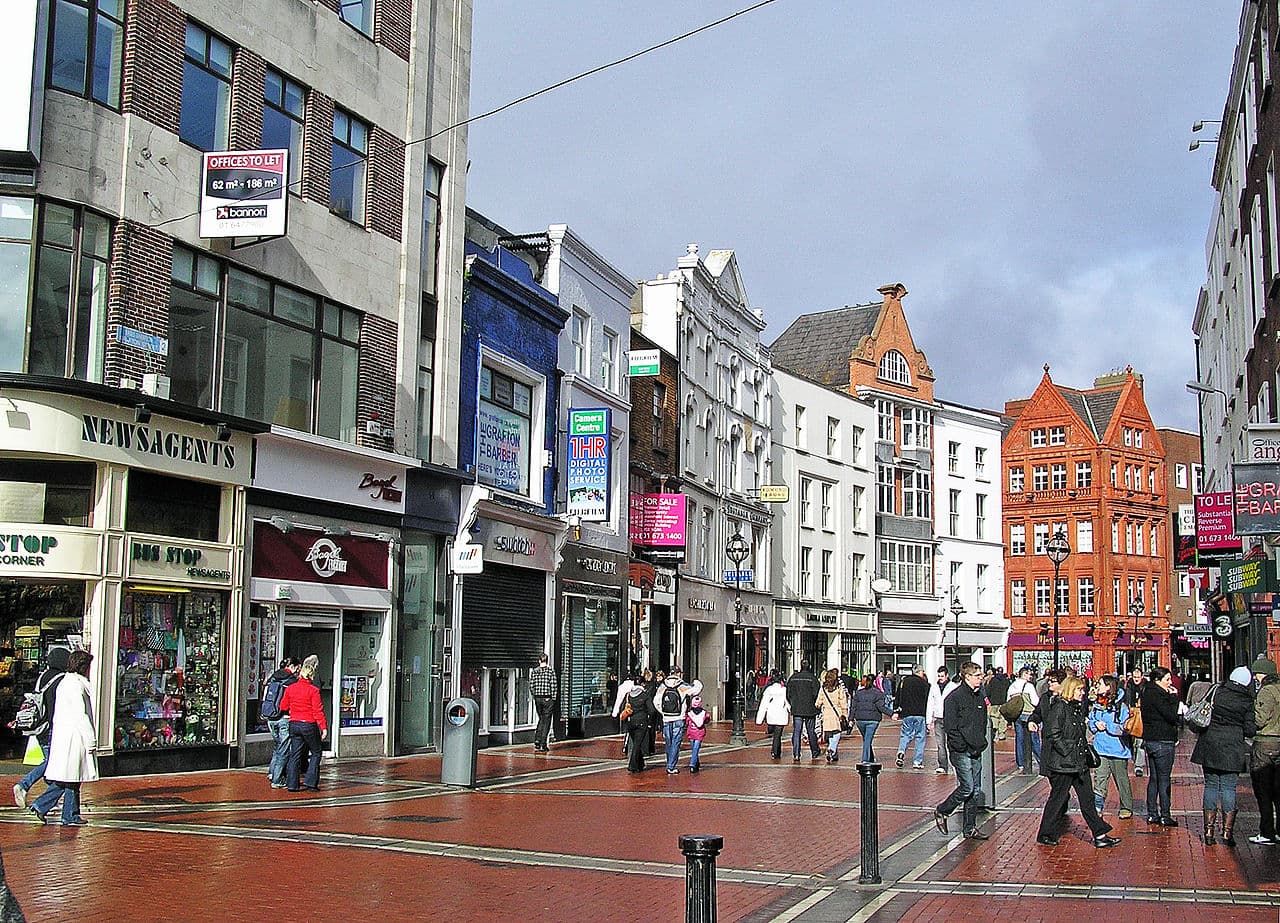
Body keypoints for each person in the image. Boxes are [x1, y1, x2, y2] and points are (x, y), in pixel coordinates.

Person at [1036, 675, 1120, 848]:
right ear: (1070, 690)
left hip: (1079, 762)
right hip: (1064, 764)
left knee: (1087, 800)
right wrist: (1067, 751)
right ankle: (1045, 833)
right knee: (1057, 799)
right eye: (1079, 689)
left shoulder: (1074, 708)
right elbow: (1052, 733)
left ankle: (1100, 834)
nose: (1082, 693)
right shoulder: (1059, 707)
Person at [1191, 665, 1257, 846]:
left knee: (1211, 785)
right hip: (1232, 748)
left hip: (1210, 743)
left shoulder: (1217, 691)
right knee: (1228, 788)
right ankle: (1227, 833)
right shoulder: (1247, 700)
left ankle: (1209, 831)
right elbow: (1250, 730)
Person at [28, 650, 96, 826]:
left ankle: (59, 811)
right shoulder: (76, 686)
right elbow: (82, 716)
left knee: (69, 778)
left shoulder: (66, 683)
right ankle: (62, 812)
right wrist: (91, 740)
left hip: (66, 736)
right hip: (74, 738)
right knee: (71, 778)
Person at [933, 663, 990, 840]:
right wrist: (961, 745)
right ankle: (943, 810)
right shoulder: (954, 698)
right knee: (967, 788)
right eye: (977, 675)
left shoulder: (979, 696)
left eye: (981, 675)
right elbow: (951, 726)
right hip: (961, 750)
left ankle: (970, 827)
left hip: (976, 748)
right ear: (967, 677)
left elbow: (981, 721)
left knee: (975, 790)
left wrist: (981, 742)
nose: (981, 679)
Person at [13, 645, 69, 809]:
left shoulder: (43, 676)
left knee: (51, 761)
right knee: (53, 762)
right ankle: (24, 785)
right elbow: (55, 707)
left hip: (38, 726)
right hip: (51, 727)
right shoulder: (61, 680)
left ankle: (51, 795)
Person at [279, 654, 327, 792]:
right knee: (316, 751)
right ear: (311, 675)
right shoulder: (314, 690)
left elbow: (283, 706)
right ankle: (310, 782)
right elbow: (318, 711)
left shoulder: (291, 688)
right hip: (308, 723)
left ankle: (292, 784)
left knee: (295, 754)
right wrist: (323, 728)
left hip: (294, 723)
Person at [1089, 674, 1133, 820]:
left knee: (1121, 779)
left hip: (1118, 749)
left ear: (1109, 687)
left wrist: (1108, 726)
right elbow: (1091, 720)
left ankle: (1126, 806)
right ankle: (1098, 805)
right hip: (1100, 748)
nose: (1097, 687)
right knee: (1100, 778)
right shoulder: (1097, 704)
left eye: (1100, 684)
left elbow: (1125, 728)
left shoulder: (1121, 706)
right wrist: (1094, 724)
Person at [1142, 665, 1181, 827]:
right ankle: (1165, 815)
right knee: (1164, 779)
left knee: (1154, 778)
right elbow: (1171, 716)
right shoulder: (1160, 695)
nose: (1170, 682)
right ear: (1157, 681)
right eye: (1166, 680)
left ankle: (1152, 813)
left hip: (1150, 740)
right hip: (1163, 741)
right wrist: (1174, 698)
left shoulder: (1146, 692)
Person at [1250, 656, 1280, 844]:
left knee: (1263, 790)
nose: (1255, 678)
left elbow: (1260, 720)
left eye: (1257, 674)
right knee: (1278, 790)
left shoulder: (1266, 692)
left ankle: (1267, 831)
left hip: (1266, 742)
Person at [654, 666, 702, 775]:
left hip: (666, 718)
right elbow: (697, 689)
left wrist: (663, 712)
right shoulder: (682, 686)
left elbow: (655, 701)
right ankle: (671, 766)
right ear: (679, 674)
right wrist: (696, 681)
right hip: (678, 718)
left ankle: (669, 763)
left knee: (668, 742)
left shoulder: (663, 685)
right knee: (676, 742)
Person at [262, 656, 299, 789]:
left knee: (277, 747)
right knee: (284, 749)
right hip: (284, 717)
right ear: (294, 666)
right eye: (297, 668)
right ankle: (277, 779)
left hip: (270, 716)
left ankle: (272, 772)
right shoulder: (291, 681)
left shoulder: (274, 676)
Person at [895, 665, 930, 769]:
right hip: (920, 713)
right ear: (920, 672)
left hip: (907, 713)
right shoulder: (925, 684)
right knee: (920, 737)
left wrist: (896, 709)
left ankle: (901, 751)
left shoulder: (904, 681)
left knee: (905, 734)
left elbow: (898, 695)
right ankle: (917, 761)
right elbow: (928, 700)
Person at [786, 660, 822, 762]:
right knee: (811, 730)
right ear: (809, 666)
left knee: (797, 731)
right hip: (810, 709)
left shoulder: (793, 678)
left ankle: (796, 753)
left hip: (797, 708)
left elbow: (788, 694)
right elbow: (816, 694)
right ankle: (814, 751)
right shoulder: (813, 679)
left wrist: (793, 703)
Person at [852, 674, 892, 763]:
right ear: (874, 681)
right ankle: (865, 759)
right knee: (867, 739)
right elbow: (881, 707)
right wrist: (891, 713)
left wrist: (851, 719)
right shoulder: (878, 693)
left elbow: (853, 707)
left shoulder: (859, 693)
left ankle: (870, 757)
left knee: (866, 739)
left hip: (860, 719)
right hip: (873, 720)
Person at [1007, 665, 1041, 770]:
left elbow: (1008, 700)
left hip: (1017, 715)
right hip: (1028, 714)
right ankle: (1040, 760)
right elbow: (1035, 701)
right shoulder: (1029, 686)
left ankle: (1020, 763)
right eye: (1029, 674)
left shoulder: (1013, 685)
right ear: (1024, 674)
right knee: (1034, 738)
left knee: (1019, 738)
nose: (1031, 676)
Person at [620, 673, 655, 773]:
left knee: (636, 742)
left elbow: (625, 707)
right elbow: (651, 710)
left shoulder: (629, 695)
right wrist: (649, 717)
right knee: (637, 744)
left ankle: (640, 763)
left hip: (630, 722)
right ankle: (632, 765)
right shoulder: (645, 695)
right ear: (642, 684)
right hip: (641, 722)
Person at [925, 665, 957, 774]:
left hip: (950, 718)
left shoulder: (953, 687)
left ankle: (955, 765)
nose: (940, 678)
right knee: (940, 744)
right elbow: (930, 703)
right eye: (939, 676)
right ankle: (942, 765)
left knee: (951, 743)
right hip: (938, 718)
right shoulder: (934, 687)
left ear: (947, 675)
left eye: (942, 676)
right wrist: (929, 721)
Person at [816, 668, 851, 763]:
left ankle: (834, 754)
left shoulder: (823, 689)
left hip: (826, 714)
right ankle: (831, 749)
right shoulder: (839, 688)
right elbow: (843, 703)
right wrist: (845, 714)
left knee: (830, 734)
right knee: (836, 734)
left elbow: (818, 703)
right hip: (837, 714)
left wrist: (820, 706)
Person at [755, 670, 790, 760]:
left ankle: (776, 751)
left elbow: (763, 704)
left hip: (771, 714)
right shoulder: (784, 690)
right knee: (778, 734)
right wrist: (791, 710)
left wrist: (759, 719)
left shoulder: (769, 690)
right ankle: (776, 751)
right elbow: (788, 702)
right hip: (782, 714)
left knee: (775, 734)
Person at [530, 652, 558, 753]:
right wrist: (553, 698)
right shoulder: (550, 671)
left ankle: (537, 739)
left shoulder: (534, 671)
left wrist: (535, 695)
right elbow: (554, 685)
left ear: (539, 661)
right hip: (547, 698)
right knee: (546, 721)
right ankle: (543, 743)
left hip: (538, 698)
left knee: (541, 718)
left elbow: (531, 685)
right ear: (547, 660)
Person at [1124, 666, 1149, 778]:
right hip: (1130, 714)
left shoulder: (1146, 687)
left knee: (1140, 741)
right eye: (1134, 677)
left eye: (1138, 677)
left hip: (1141, 716)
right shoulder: (1128, 685)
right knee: (1130, 741)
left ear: (1142, 677)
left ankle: (1139, 766)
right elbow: (1125, 699)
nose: (1136, 679)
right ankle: (1134, 758)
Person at [987, 666, 1012, 741]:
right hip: (1004, 702)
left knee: (994, 718)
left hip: (994, 702)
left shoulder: (993, 680)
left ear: (997, 672)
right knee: (1003, 718)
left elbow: (988, 691)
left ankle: (995, 734)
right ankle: (1002, 734)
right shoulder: (1006, 681)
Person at [685, 695, 709, 773]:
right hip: (698, 732)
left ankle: (692, 764)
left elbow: (686, 722)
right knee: (695, 749)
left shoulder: (689, 713)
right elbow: (707, 720)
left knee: (695, 749)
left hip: (692, 732)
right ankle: (696, 763)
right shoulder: (704, 713)